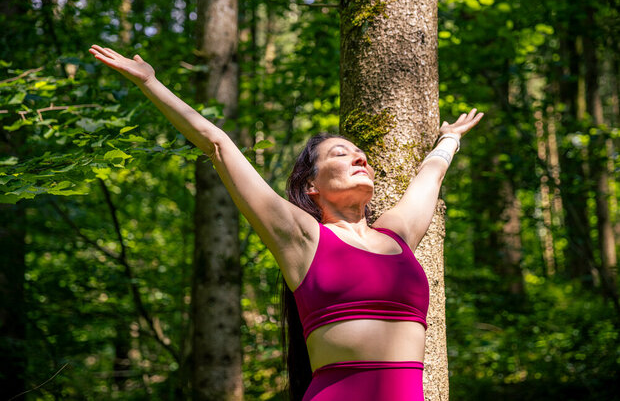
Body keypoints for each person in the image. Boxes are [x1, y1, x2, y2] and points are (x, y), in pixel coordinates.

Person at [89, 44, 483, 400]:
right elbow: (217, 144)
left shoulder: (397, 235)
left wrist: (449, 139)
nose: (360, 158)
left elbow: (429, 177)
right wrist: (151, 83)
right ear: (311, 184)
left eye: (362, 154)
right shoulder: (303, 238)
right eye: (341, 154)